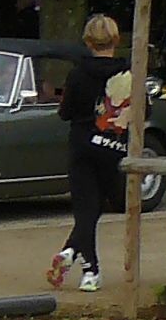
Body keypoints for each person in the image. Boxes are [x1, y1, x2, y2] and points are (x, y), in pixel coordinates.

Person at [54, 15, 126, 294]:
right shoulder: (128, 73)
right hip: (114, 145)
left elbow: (65, 113)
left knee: (86, 209)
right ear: (116, 40)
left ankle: (84, 263)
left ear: (87, 41)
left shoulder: (77, 73)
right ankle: (83, 264)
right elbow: (145, 109)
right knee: (95, 209)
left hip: (82, 144)